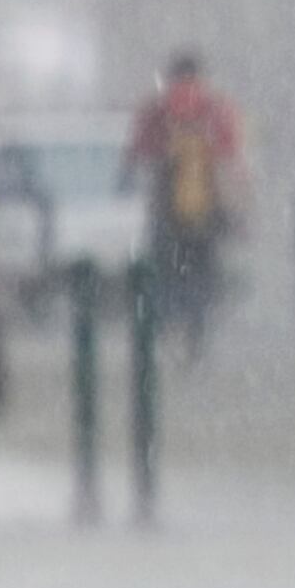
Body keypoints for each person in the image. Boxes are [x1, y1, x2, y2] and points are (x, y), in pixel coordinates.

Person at [126, 52, 247, 362]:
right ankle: (196, 337)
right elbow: (231, 161)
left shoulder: (157, 109)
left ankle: (165, 331)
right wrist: (239, 211)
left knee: (167, 275)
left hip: (165, 211)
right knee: (202, 277)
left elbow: (137, 154)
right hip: (207, 213)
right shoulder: (216, 109)